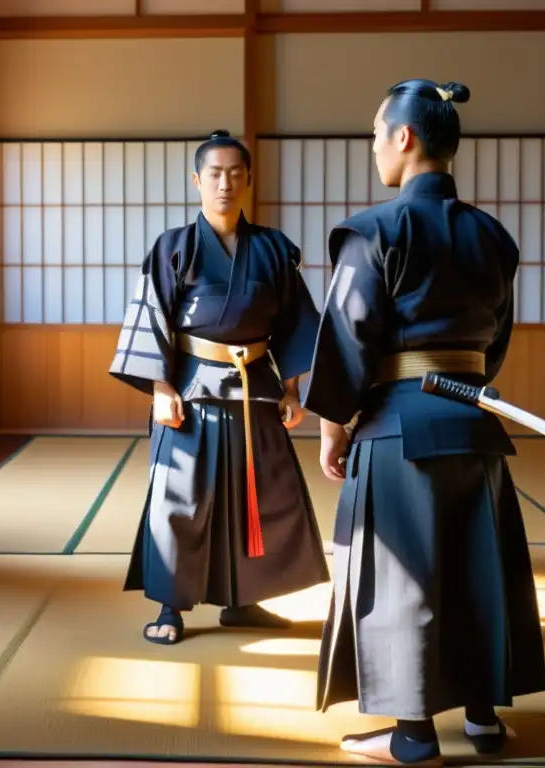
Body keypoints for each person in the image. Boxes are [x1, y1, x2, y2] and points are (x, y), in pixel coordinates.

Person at [302, 81, 545, 765]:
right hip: (474, 422)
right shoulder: (491, 237)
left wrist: (333, 427)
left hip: (397, 430)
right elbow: (493, 343)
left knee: (404, 579)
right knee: (476, 571)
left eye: (377, 134)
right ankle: (482, 721)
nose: (375, 147)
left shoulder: (375, 230)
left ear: (404, 138)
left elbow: (348, 335)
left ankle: (413, 738)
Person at [109, 129, 330, 646]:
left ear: (248, 180)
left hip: (255, 393)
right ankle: (170, 607)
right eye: (214, 174)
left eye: (235, 174)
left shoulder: (274, 249)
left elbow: (297, 323)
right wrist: (161, 387)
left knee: (258, 498)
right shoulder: (174, 248)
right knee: (181, 501)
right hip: (189, 392)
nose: (225, 184)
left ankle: (243, 601)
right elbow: (151, 318)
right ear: (197, 180)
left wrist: (292, 391)